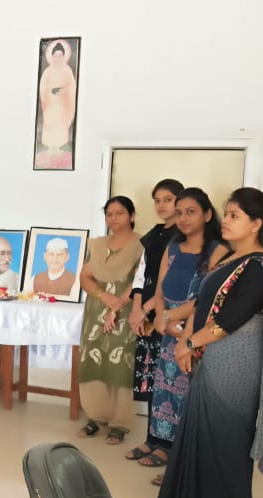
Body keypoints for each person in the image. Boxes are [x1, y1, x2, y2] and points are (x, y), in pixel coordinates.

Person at [148, 188, 263, 498]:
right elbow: (202, 304)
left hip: (236, 369)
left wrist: (189, 344)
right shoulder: (230, 260)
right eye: (227, 214)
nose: (226, 221)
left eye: (235, 215)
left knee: (226, 438)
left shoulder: (258, 266)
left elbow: (229, 319)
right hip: (211, 360)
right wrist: (186, 341)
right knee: (200, 434)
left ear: (256, 224)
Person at [137, 188, 227, 480]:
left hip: (196, 331)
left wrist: (170, 318)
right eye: (180, 213)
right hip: (168, 331)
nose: (184, 219)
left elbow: (207, 298)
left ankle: (183, 462)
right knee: (165, 391)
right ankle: (164, 446)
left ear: (207, 215)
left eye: (191, 212)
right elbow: (160, 290)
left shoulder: (218, 251)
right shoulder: (173, 248)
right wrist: (162, 319)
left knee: (190, 396)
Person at [76, 196, 143, 445]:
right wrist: (104, 297)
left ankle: (120, 423)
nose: (113, 218)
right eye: (109, 214)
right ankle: (96, 417)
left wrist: (118, 305)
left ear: (132, 216)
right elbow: (85, 277)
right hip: (96, 310)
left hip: (126, 311)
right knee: (94, 360)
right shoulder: (97, 245)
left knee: (121, 364)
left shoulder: (141, 245)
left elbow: (141, 280)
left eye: (120, 213)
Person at [125, 179, 183, 456]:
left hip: (170, 315)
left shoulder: (184, 236)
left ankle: (169, 445)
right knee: (151, 379)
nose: (161, 205)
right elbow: (142, 274)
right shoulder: (156, 234)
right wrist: (137, 308)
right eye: (157, 200)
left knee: (170, 381)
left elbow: (168, 280)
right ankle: (152, 438)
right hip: (147, 316)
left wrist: (147, 308)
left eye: (168, 199)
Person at [35, 39, 77, 169]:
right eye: (55, 55)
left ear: (64, 56)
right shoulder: (48, 71)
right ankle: (50, 151)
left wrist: (64, 90)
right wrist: (50, 91)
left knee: (60, 128)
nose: (58, 58)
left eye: (60, 55)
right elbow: (42, 87)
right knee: (50, 126)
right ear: (52, 56)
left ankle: (58, 151)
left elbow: (72, 86)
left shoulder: (67, 70)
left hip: (62, 106)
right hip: (50, 105)